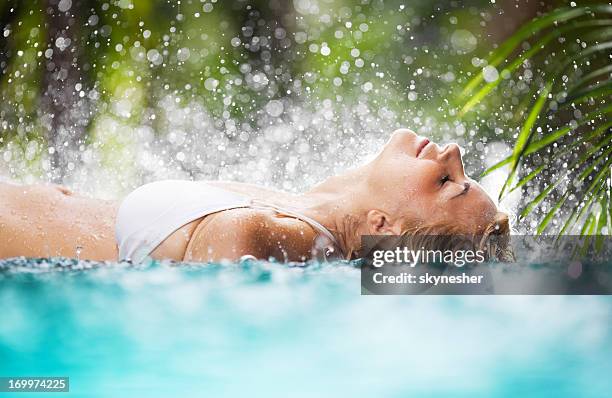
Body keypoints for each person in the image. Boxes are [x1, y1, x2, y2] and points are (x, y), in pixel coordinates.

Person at [0, 129, 511, 263]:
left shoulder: (277, 233)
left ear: (384, 227)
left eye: (448, 185)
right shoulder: (294, 210)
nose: (452, 153)